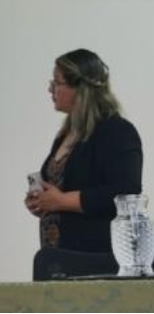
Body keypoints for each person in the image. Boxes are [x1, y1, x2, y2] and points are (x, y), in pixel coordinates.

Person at [25, 49, 142, 253]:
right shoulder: (66, 134)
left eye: (57, 82)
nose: (50, 89)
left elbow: (125, 191)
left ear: (80, 89)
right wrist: (42, 201)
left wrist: (61, 201)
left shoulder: (117, 131)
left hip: (95, 257)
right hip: (57, 255)